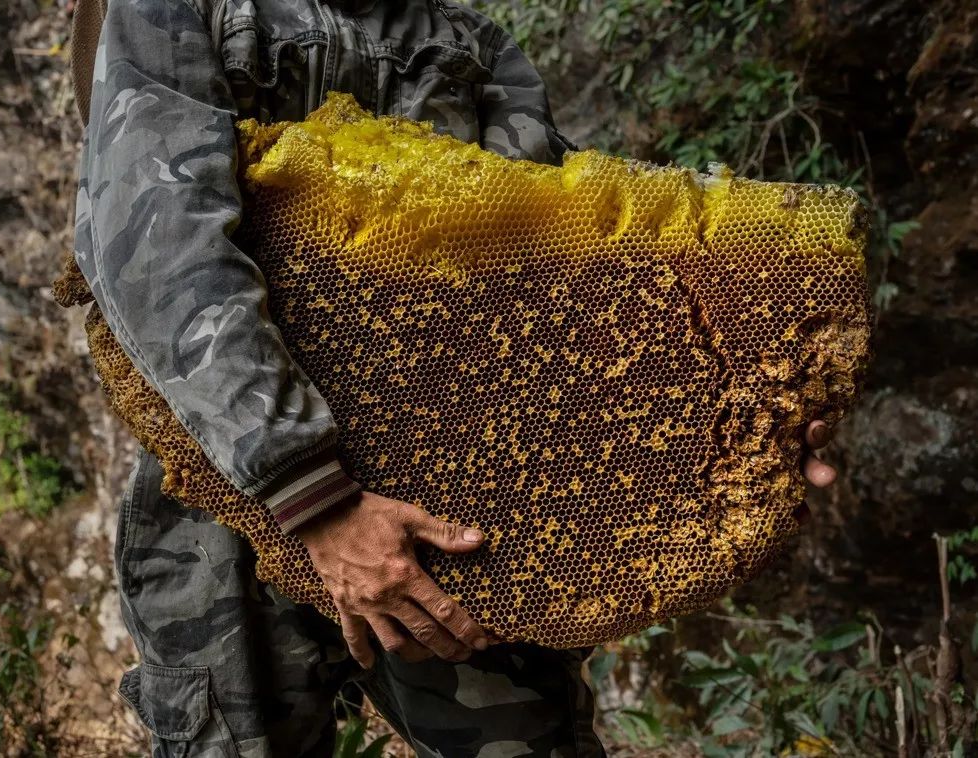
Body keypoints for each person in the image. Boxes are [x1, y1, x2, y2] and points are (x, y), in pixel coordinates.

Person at [72, 0, 838, 755]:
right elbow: (155, 241)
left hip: (458, 517)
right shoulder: (179, 7)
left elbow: (559, 281)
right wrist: (312, 497)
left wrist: (747, 403)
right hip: (231, 494)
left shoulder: (468, 42)